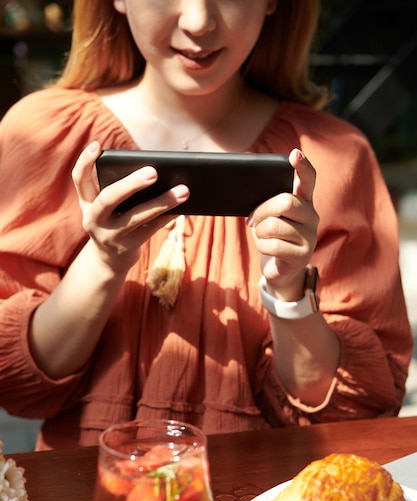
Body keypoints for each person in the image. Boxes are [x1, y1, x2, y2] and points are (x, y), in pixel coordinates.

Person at [0, 0, 412, 450]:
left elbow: (352, 413)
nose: (199, 22)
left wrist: (290, 292)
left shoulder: (335, 156)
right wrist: (104, 259)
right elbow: (20, 385)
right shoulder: (43, 135)